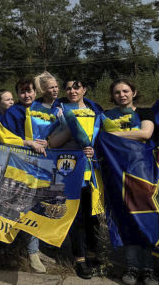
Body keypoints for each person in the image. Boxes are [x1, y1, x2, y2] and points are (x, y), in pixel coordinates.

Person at [0, 77, 59, 273]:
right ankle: (31, 253)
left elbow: (57, 130)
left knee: (41, 206)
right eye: (23, 92)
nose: (27, 95)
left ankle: (36, 249)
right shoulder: (13, 112)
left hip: (44, 165)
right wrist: (28, 143)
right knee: (27, 207)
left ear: (36, 92)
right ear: (18, 94)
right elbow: (3, 136)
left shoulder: (44, 109)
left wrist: (49, 142)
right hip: (21, 164)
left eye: (30, 91)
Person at [101, 80, 156, 285]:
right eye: (117, 92)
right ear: (112, 95)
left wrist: (112, 135)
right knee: (127, 220)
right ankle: (132, 267)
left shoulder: (145, 112)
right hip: (117, 173)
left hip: (143, 173)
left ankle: (149, 269)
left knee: (145, 219)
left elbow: (145, 133)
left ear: (134, 92)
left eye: (125, 91)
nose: (122, 95)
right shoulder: (106, 115)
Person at [47, 79, 103, 279]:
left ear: (84, 90)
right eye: (68, 88)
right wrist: (73, 128)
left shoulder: (96, 111)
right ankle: (79, 259)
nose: (72, 91)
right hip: (68, 172)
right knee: (75, 217)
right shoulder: (59, 111)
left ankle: (94, 254)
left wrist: (92, 148)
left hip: (92, 173)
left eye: (76, 87)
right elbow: (51, 141)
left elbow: (103, 140)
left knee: (92, 217)